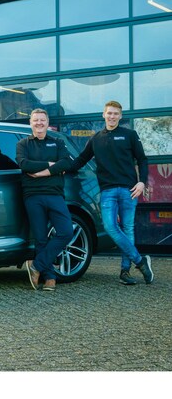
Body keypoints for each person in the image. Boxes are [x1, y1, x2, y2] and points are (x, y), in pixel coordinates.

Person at [70, 100, 154, 285]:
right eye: (109, 113)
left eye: (116, 113)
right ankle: (140, 261)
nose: (112, 116)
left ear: (120, 116)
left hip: (129, 190)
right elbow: (81, 160)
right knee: (110, 227)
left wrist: (142, 182)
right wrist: (60, 169)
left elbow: (142, 159)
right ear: (103, 114)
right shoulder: (96, 139)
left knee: (127, 228)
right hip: (107, 191)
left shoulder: (130, 135)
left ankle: (125, 271)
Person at [15, 108, 74, 292]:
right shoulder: (23, 144)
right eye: (36, 120)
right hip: (33, 196)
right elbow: (24, 164)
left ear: (48, 123)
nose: (39, 123)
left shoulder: (57, 142)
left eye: (42, 120)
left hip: (55, 194)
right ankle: (49, 278)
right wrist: (51, 165)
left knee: (66, 232)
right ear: (30, 123)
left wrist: (41, 173)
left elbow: (67, 162)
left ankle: (36, 265)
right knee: (40, 238)